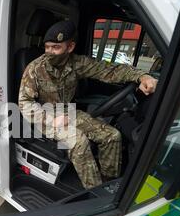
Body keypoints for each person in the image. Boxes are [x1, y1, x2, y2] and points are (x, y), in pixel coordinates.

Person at [18, 20, 158, 189]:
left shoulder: (77, 63)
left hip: (69, 112)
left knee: (112, 136)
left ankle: (108, 184)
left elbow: (110, 71)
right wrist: (50, 119)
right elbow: (25, 102)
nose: (49, 52)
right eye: (47, 47)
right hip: (44, 117)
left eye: (55, 47)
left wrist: (141, 77)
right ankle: (94, 192)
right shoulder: (35, 68)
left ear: (70, 47)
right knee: (79, 142)